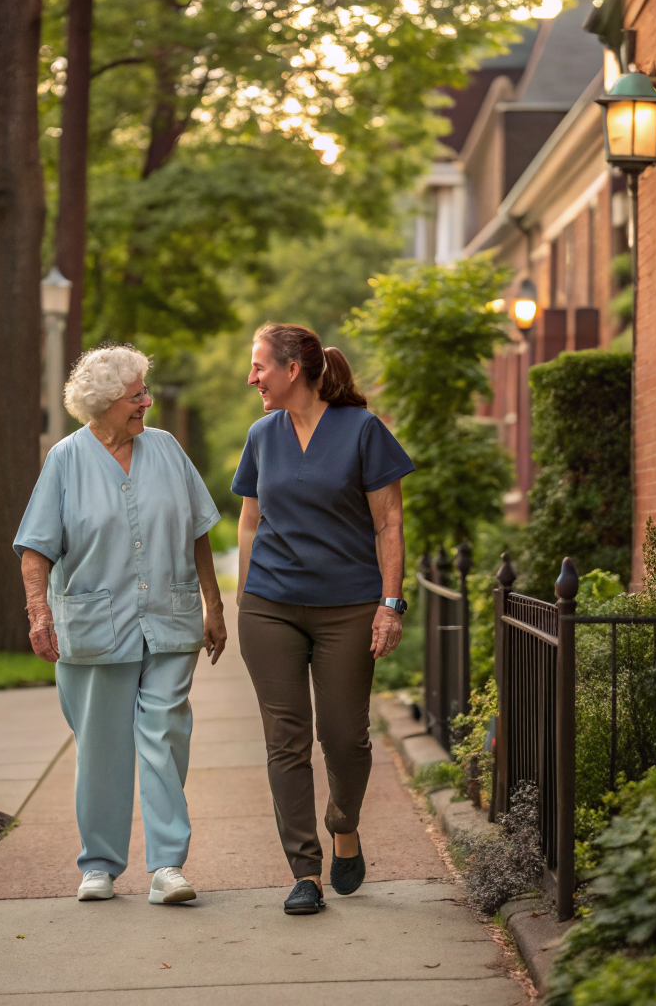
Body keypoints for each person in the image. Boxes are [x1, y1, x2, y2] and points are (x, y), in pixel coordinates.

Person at [15, 342, 226, 906]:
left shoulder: (167, 450)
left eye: (144, 394)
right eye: (136, 397)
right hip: (94, 625)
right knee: (102, 746)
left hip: (169, 616)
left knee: (164, 735)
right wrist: (40, 616)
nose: (147, 404)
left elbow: (199, 530)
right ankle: (100, 865)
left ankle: (168, 868)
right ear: (107, 402)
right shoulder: (65, 459)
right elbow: (35, 550)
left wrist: (215, 604)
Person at [233, 324, 413, 915]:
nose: (252, 377)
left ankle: (344, 823)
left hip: (349, 607)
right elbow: (250, 522)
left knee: (344, 736)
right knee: (285, 741)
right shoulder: (262, 436)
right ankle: (303, 870)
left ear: (293, 370)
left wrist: (390, 604)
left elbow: (389, 523)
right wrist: (242, 599)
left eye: (260, 366)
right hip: (271, 605)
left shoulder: (362, 431)